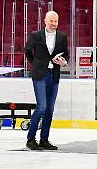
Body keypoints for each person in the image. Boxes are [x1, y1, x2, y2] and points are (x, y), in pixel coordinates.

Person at [24, 11, 68, 150]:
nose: (54, 24)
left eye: (56, 21)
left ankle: (44, 139)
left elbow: (65, 53)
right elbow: (27, 51)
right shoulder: (35, 35)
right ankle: (31, 139)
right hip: (40, 75)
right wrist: (36, 64)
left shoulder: (62, 36)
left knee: (49, 109)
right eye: (51, 21)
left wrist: (62, 61)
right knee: (41, 107)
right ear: (45, 21)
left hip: (54, 75)